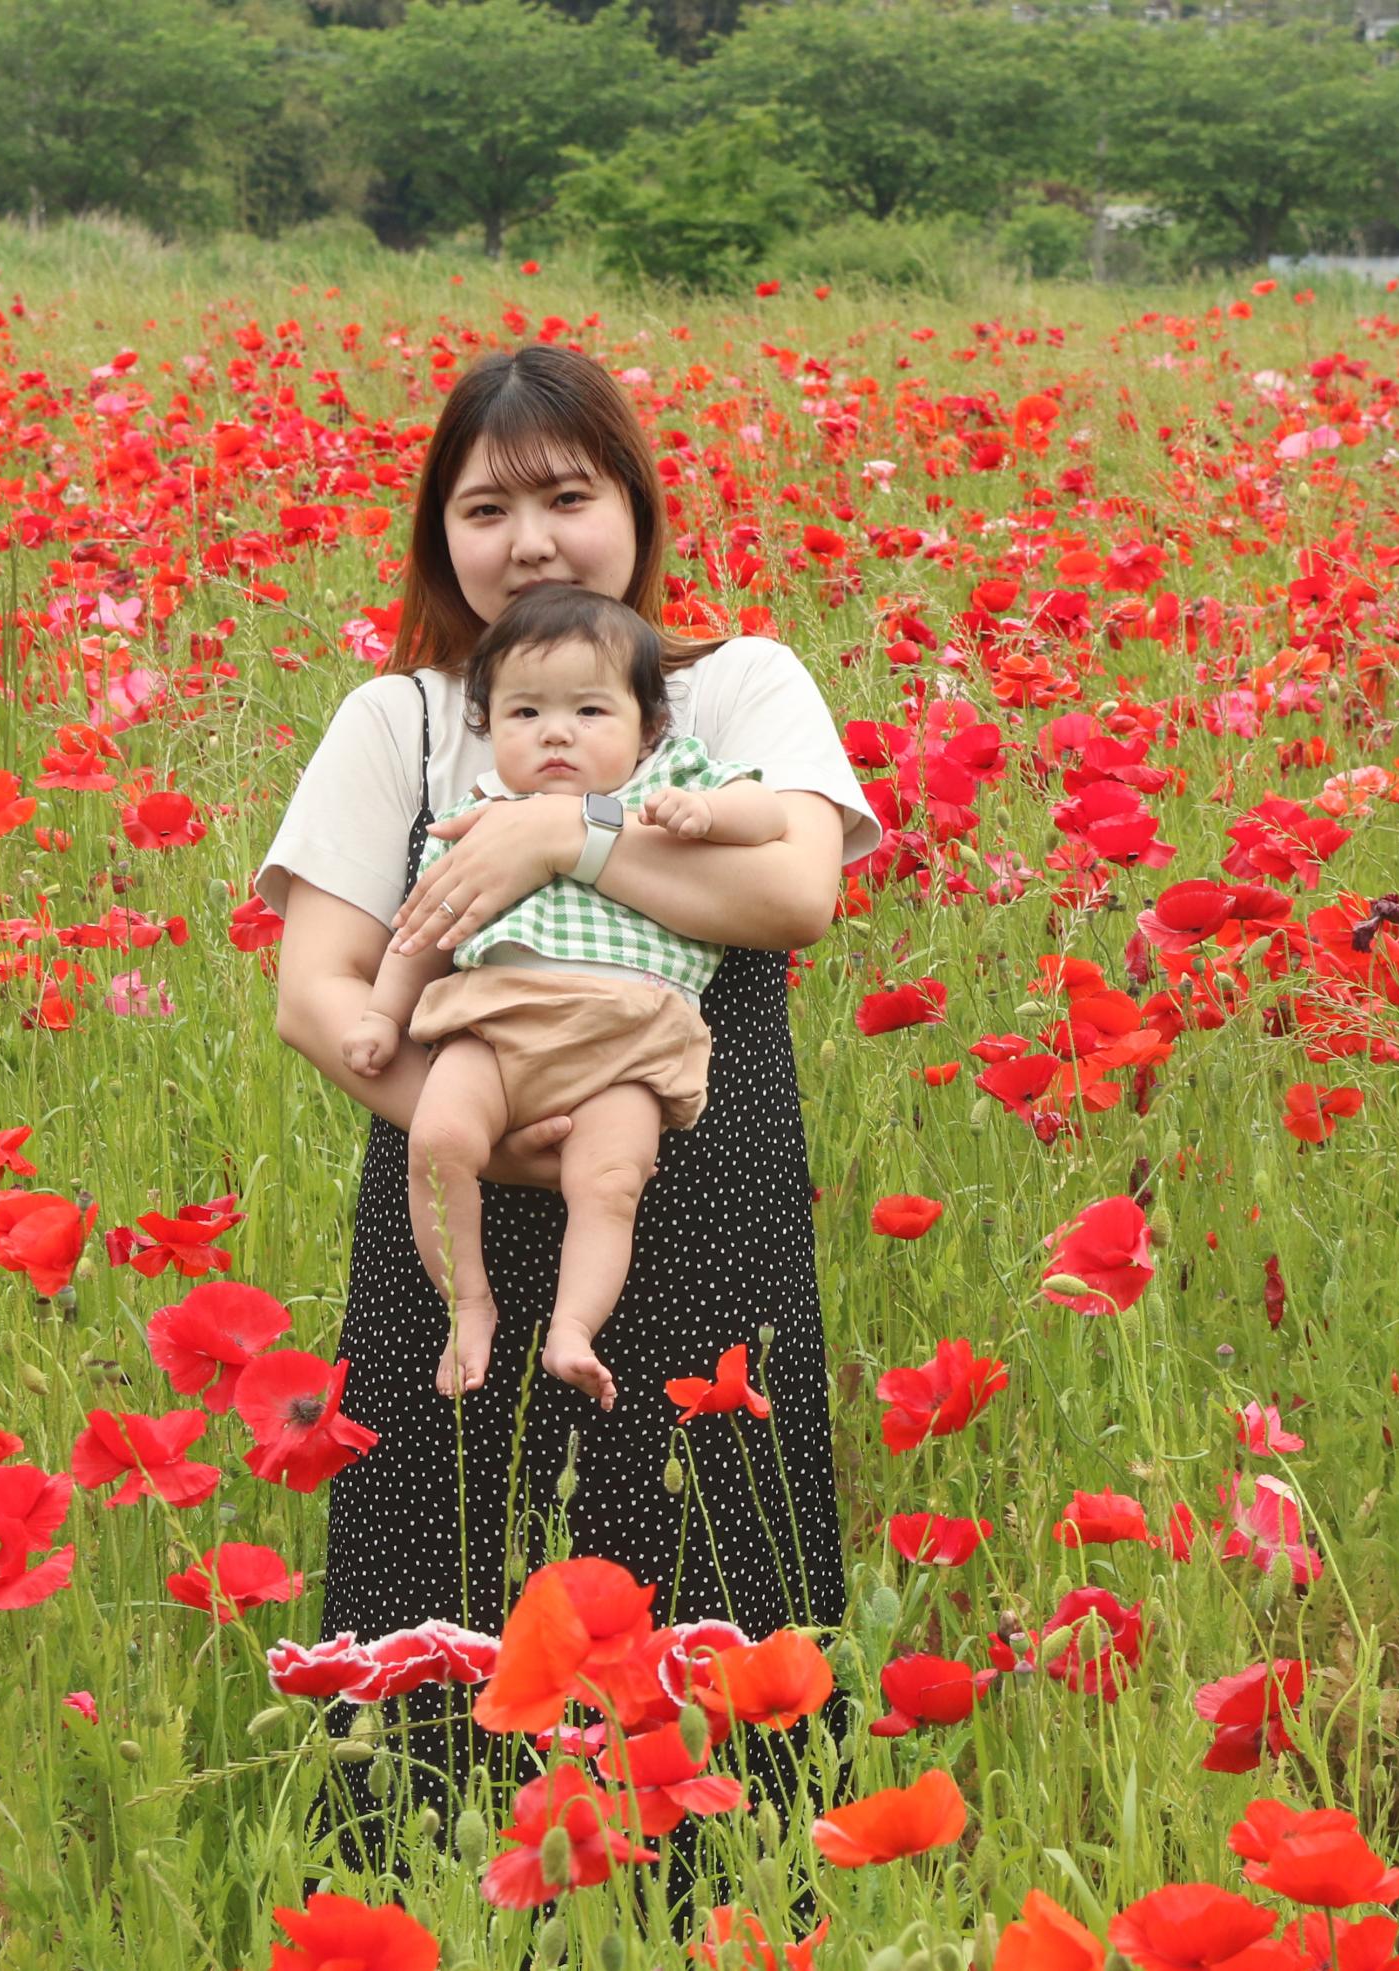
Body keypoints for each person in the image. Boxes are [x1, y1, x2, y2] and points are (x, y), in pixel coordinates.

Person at [250, 342, 876, 1908]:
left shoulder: (740, 686)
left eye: (565, 496)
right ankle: (436, 1920)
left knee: (706, 1583)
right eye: (484, 506)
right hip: (449, 1210)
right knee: (446, 1583)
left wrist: (565, 831)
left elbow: (795, 887)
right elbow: (314, 989)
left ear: (636, 510)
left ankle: (713, 1922)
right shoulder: (395, 717)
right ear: (436, 534)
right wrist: (469, 1120)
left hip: (698, 1205)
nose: (528, 539)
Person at [341, 583, 793, 1414]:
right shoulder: (480, 810)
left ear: (646, 724)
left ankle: (572, 1328)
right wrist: (379, 1014)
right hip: (494, 1024)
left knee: (611, 1179)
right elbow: (426, 924)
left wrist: (708, 811)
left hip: (631, 1035)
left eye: (589, 710)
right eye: (524, 714)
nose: (555, 732)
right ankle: (468, 1302)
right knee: (436, 1140)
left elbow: (769, 815)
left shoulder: (670, 778)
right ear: (488, 727)